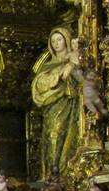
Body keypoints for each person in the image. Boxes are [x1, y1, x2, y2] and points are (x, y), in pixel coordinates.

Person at [31, 27, 82, 180]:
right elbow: (39, 84)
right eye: (53, 41)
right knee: (53, 135)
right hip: (53, 107)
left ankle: (64, 171)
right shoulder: (47, 66)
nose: (56, 43)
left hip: (71, 104)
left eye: (59, 39)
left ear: (66, 40)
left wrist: (72, 65)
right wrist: (60, 73)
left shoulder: (75, 58)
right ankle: (51, 173)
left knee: (69, 134)